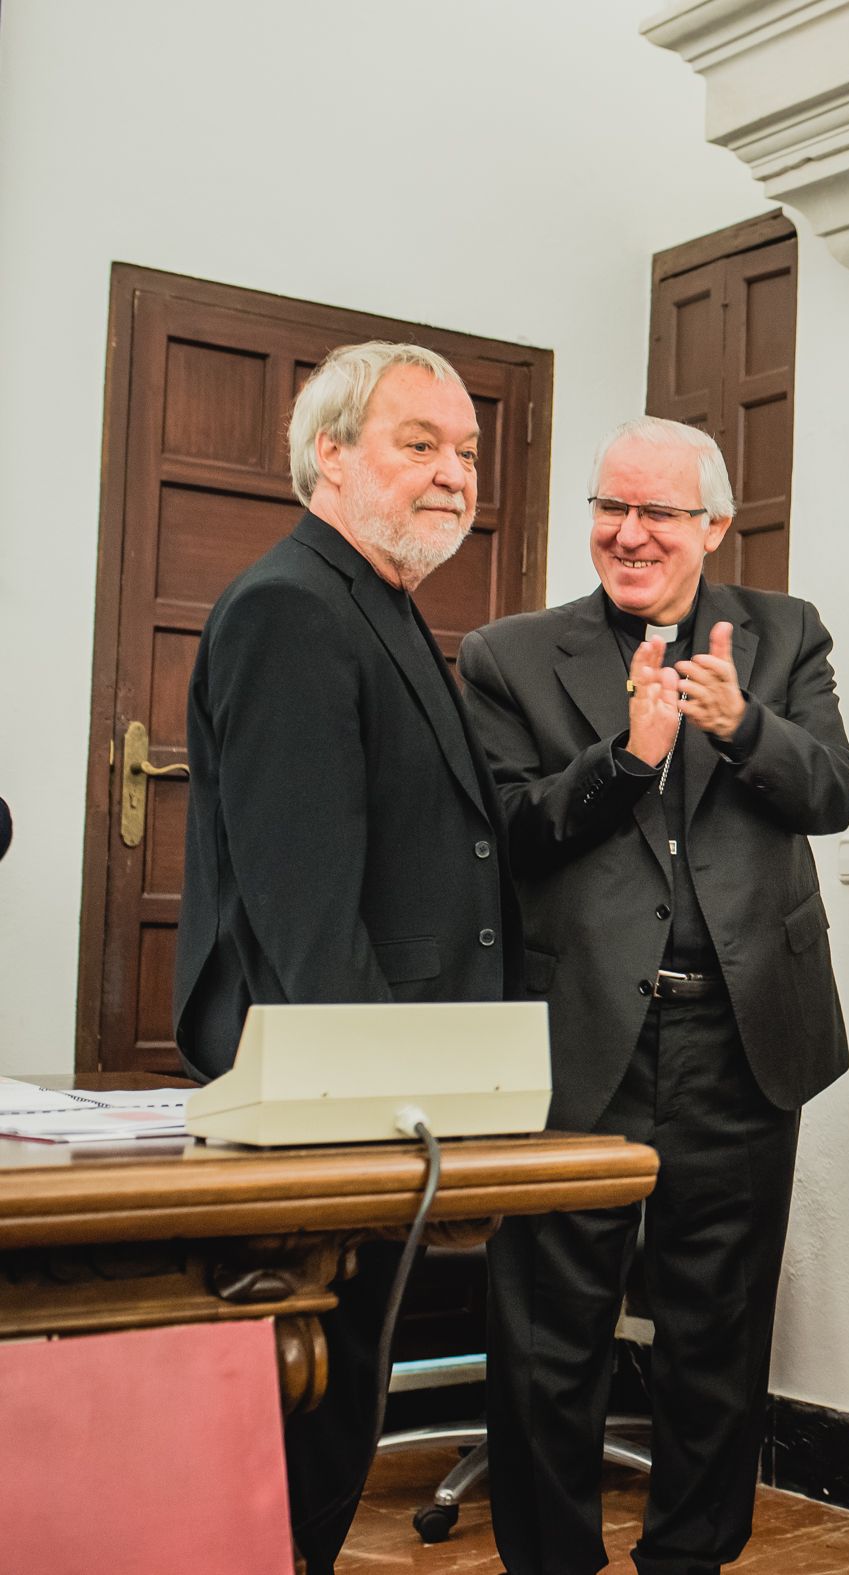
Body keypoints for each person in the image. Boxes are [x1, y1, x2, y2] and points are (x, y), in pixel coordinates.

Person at [459, 416, 849, 1575]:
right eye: (609, 509)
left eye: (657, 514)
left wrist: (741, 726)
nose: (627, 535)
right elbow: (509, 832)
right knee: (549, 1333)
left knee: (718, 1331)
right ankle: (552, 1561)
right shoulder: (509, 656)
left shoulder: (785, 636)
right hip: (582, 1039)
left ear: (714, 528)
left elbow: (831, 791)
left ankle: (690, 1557)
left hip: (741, 1039)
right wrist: (624, 759)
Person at [174, 341, 508, 1573]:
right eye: (418, 444)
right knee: (295, 1447)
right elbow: (302, 911)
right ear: (329, 452)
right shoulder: (289, 606)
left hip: (374, 1097)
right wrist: (389, 1109)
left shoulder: (384, 606)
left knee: (334, 1425)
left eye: (466, 454)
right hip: (333, 1104)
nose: (453, 475)